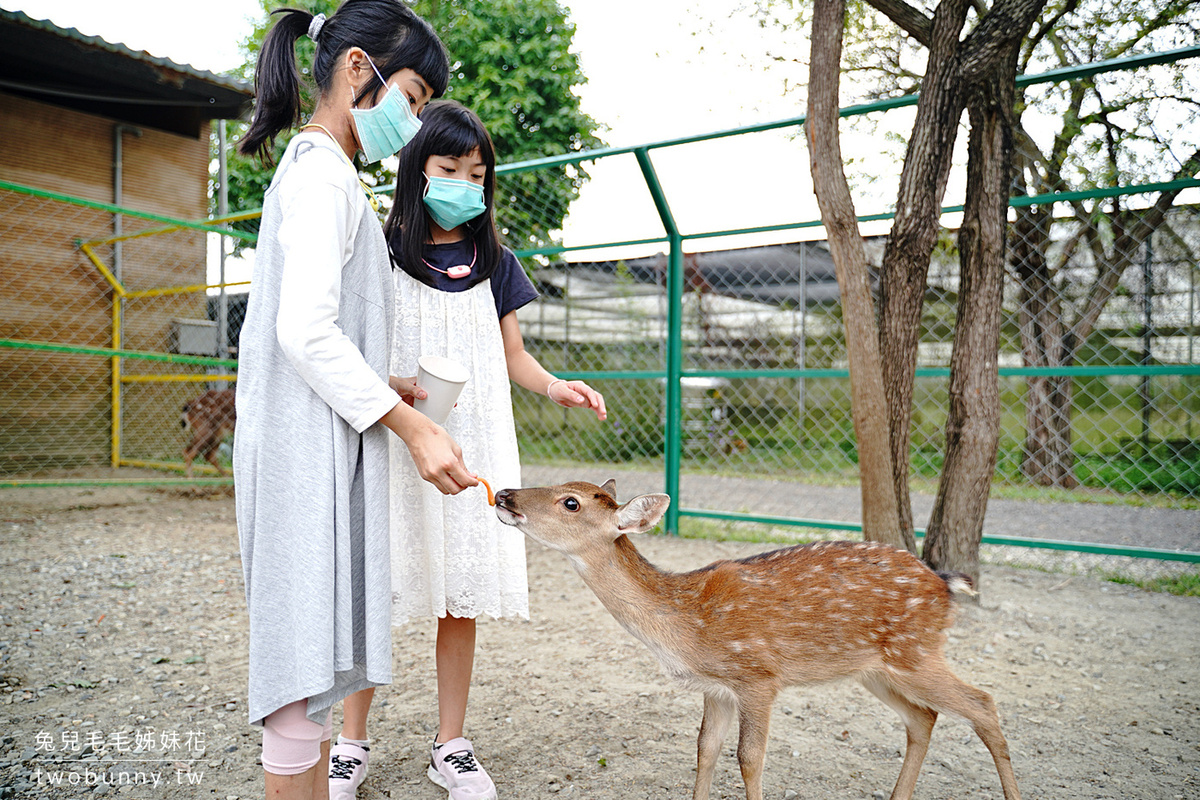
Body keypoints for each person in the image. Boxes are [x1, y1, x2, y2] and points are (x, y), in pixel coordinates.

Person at [232, 5, 476, 800]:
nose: (414, 119)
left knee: (304, 691)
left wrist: (388, 384)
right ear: (357, 68)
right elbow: (303, 331)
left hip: (317, 447)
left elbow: (320, 331)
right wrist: (409, 424)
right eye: (413, 93)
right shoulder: (319, 178)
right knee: (296, 687)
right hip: (304, 459)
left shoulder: (330, 176)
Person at [332, 101, 607, 800]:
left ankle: (450, 745)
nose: (464, 182)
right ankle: (349, 743)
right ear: (415, 170)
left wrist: (555, 387)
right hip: (397, 440)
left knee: (460, 598)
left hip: (476, 444)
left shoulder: (497, 263)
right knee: (377, 589)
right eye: (449, 168)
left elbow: (513, 354)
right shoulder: (380, 251)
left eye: (477, 173)